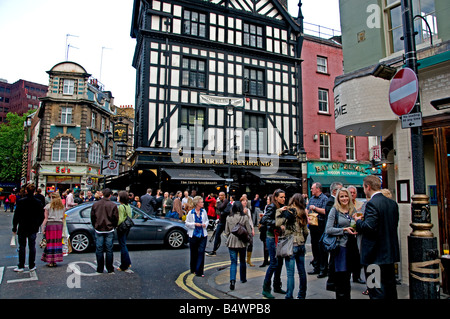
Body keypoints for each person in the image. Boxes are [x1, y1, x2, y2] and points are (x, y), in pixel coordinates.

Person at [354, 175, 400, 299]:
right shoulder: (392, 204)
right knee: (390, 289)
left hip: (373, 257)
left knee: (374, 290)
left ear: (368, 187)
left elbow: (369, 227)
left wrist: (358, 221)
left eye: (363, 187)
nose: (364, 190)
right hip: (389, 255)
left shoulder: (372, 204)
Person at [325, 188, 359, 299]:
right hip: (340, 247)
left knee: (348, 276)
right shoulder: (334, 210)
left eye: (346, 196)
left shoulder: (352, 210)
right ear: (338, 198)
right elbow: (328, 229)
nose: (344, 199)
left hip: (351, 247)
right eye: (341, 196)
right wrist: (344, 230)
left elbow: (354, 225)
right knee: (341, 277)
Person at [275, 193, 309, 299]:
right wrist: (302, 240)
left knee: (290, 273)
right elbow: (306, 231)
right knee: (302, 272)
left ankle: (289, 296)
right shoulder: (303, 212)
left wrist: (279, 211)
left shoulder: (287, 211)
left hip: (291, 244)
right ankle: (302, 295)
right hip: (301, 244)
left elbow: (277, 223)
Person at [259, 189, 287, 299]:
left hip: (279, 237)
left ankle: (277, 286)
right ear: (275, 197)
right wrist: (277, 224)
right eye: (281, 197)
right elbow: (264, 220)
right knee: (274, 263)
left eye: (284, 197)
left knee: (280, 263)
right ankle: (265, 289)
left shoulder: (282, 207)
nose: (283, 199)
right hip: (271, 237)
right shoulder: (271, 207)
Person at [12, 184, 45, 272]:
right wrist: (38, 224)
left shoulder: (21, 202)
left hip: (23, 226)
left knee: (22, 247)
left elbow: (16, 216)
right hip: (33, 227)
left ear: (26, 191)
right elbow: (41, 216)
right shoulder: (38, 202)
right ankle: (31, 265)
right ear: (34, 191)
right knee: (32, 246)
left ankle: (21, 265)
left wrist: (14, 227)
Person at [224, 201, 252, 290]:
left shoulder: (229, 217)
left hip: (231, 241)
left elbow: (226, 231)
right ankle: (243, 278)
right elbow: (249, 231)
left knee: (233, 262)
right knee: (242, 260)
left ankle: (232, 281)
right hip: (242, 241)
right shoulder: (244, 218)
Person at [90, 188, 119, 274]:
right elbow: (116, 218)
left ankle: (100, 268)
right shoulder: (113, 205)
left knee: (99, 249)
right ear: (110, 195)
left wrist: (95, 225)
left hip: (99, 228)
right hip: (109, 229)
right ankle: (109, 268)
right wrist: (113, 226)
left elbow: (92, 217)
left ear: (102, 194)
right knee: (109, 249)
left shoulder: (96, 205)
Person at [306, 182, 328, 275]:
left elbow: (325, 211)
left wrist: (315, 208)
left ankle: (323, 269)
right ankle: (316, 267)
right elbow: (306, 209)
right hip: (312, 225)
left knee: (321, 247)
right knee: (314, 246)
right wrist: (306, 215)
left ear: (318, 189)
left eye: (312, 188)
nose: (311, 190)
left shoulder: (324, 199)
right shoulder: (311, 199)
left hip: (321, 225)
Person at [185, 196, 208, 277]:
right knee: (194, 253)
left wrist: (205, 224)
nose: (203, 203)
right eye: (201, 202)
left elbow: (207, 220)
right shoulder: (191, 213)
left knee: (201, 252)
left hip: (202, 235)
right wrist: (194, 224)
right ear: (197, 204)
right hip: (193, 235)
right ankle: (193, 269)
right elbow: (187, 223)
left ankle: (199, 271)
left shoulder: (204, 211)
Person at [41, 192, 65, 267]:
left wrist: (42, 228)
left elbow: (46, 218)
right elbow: (63, 218)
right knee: (57, 242)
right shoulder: (62, 207)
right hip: (59, 225)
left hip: (50, 225)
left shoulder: (48, 206)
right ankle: (55, 260)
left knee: (50, 243)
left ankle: (50, 261)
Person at [347, 185, 365, 285]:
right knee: (349, 256)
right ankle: (348, 276)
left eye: (354, 192)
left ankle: (357, 276)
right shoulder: (345, 204)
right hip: (349, 233)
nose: (352, 194)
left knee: (358, 255)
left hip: (359, 233)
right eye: (351, 192)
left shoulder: (361, 204)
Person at [206, 192, 231, 257]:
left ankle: (235, 249)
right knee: (217, 235)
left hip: (226, 222)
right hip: (221, 221)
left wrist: (218, 202)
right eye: (219, 195)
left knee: (230, 236)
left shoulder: (225, 201)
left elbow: (220, 207)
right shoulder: (222, 201)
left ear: (224, 196)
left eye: (221, 195)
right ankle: (214, 250)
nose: (219, 196)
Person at [117, 190, 132, 273]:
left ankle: (124, 265)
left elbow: (120, 219)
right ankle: (127, 262)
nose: (117, 197)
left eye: (118, 196)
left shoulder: (121, 207)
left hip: (122, 227)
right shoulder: (128, 206)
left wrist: (116, 225)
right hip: (127, 227)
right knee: (124, 244)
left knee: (122, 245)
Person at [240, 195, 255, 267]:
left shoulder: (248, 210)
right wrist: (243, 213)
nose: (245, 202)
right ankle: (241, 259)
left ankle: (249, 260)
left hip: (248, 228)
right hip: (242, 228)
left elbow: (250, 220)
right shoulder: (239, 210)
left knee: (250, 243)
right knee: (242, 244)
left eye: (246, 201)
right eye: (243, 201)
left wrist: (252, 229)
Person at [258, 195, 272, 267]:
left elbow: (268, 217)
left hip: (267, 227)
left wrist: (263, 218)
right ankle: (266, 260)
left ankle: (267, 260)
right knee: (265, 244)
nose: (267, 201)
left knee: (267, 244)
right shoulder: (267, 206)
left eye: (268, 199)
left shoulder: (271, 207)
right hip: (264, 227)